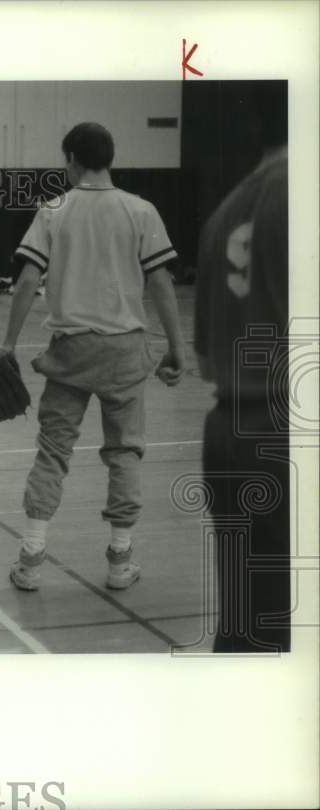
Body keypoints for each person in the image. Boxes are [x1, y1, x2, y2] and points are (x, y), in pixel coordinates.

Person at [0, 121, 186, 592]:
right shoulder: (141, 210)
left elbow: (25, 281)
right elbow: (162, 283)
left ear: (71, 160)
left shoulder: (54, 208)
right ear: (110, 158)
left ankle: (31, 558)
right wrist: (177, 349)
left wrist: (8, 344)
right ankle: (121, 562)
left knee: (53, 452)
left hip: (71, 352)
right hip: (126, 352)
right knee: (124, 453)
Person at [194, 97, 289, 652]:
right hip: (288, 431)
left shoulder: (223, 213)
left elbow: (207, 358)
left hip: (230, 435)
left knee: (248, 632)